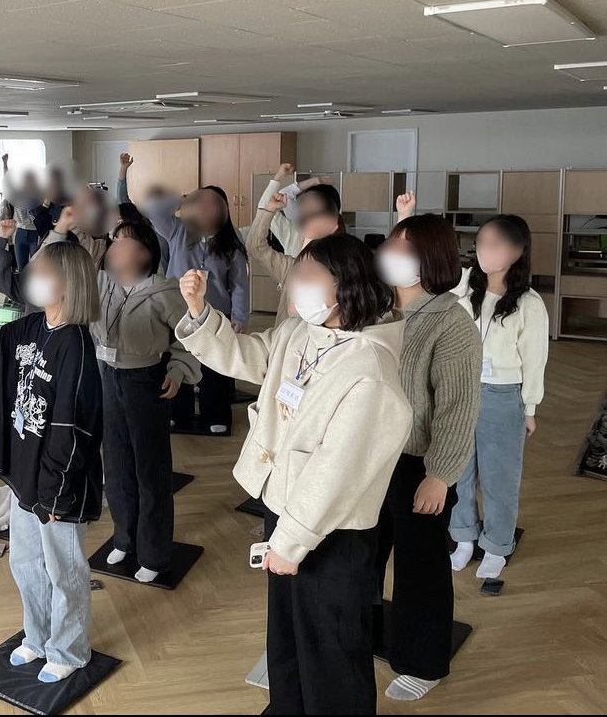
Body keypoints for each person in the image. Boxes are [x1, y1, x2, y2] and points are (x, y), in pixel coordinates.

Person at [176, 234, 411, 714]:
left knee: (331, 647)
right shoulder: (298, 333)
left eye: (306, 275)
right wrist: (200, 312)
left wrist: (290, 542)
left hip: (330, 531)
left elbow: (337, 472)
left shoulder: (369, 369)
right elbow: (247, 356)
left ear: (346, 284)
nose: (293, 286)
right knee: (285, 632)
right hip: (283, 508)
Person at [0, 241, 103, 684]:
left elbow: (73, 429)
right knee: (25, 562)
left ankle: (69, 650)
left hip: (59, 485)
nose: (32, 278)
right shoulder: (29, 327)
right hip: (25, 475)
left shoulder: (76, 345)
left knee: (64, 570)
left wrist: (54, 492)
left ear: (67, 282)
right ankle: (38, 636)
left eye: (42, 271)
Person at [373, 196, 482, 702]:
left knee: (420, 565)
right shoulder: (381, 310)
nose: (390, 253)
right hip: (371, 456)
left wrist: (440, 475)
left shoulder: (450, 322)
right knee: (364, 552)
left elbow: (458, 408)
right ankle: (360, 628)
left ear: (430, 260)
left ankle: (424, 659)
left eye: (404, 248)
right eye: (392, 244)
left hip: (418, 463)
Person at [49, 217, 198, 583]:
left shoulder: (165, 291)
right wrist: (63, 227)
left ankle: (154, 553)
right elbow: (56, 270)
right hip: (105, 377)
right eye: (113, 240)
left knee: (151, 469)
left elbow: (191, 337)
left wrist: (178, 369)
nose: (114, 246)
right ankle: (124, 538)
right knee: (115, 465)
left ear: (145, 252)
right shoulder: (101, 282)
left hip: (145, 381)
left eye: (124, 242)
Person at [449, 214, 549, 580]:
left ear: (517, 251)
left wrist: (530, 407)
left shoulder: (529, 303)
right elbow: (425, 270)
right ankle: (463, 537)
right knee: (457, 471)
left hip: (503, 395)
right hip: (461, 388)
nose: (485, 251)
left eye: (495, 244)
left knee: (499, 477)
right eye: (481, 242)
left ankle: (497, 545)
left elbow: (535, 359)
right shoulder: (463, 285)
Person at [146, 184, 249, 434]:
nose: (205, 207)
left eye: (212, 204)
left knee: (214, 365)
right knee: (177, 360)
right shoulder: (178, 230)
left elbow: (239, 285)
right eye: (200, 202)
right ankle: (177, 412)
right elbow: (153, 210)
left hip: (215, 314)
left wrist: (239, 316)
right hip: (176, 311)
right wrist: (182, 198)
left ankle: (216, 415)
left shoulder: (231, 244)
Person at [249, 187, 345, 326]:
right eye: (303, 207)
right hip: (287, 336)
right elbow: (256, 247)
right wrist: (269, 210)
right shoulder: (291, 266)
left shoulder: (345, 269)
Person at [0, 153, 42, 271]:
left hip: (35, 232)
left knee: (35, 267)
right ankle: (22, 283)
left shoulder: (39, 194)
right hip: (20, 232)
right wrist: (5, 164)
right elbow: (7, 183)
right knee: (21, 268)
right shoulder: (17, 193)